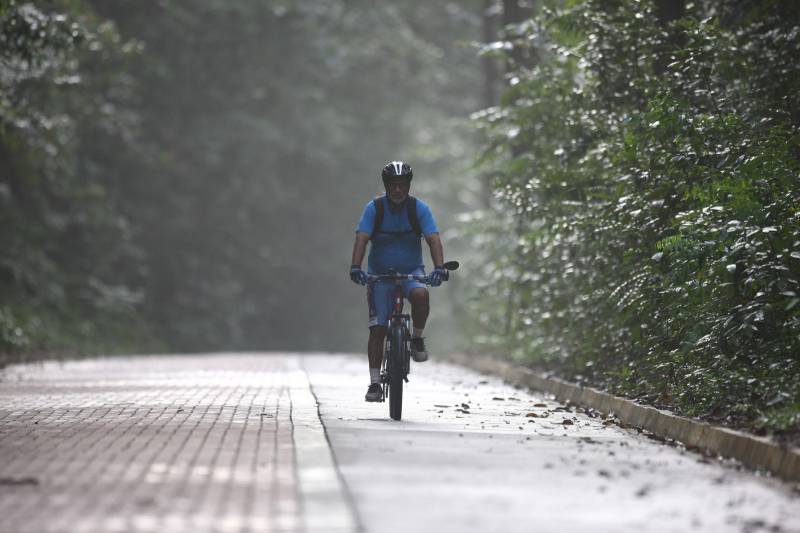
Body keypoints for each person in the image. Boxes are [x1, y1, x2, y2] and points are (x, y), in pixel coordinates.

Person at [349, 161, 447, 402]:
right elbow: (362, 239)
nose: (398, 190)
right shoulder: (375, 209)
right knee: (378, 328)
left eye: (402, 185)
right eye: (393, 185)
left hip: (412, 272)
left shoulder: (419, 209)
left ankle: (416, 338)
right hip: (380, 275)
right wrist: (355, 266)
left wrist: (439, 268)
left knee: (422, 296)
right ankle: (374, 384)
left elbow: (433, 239)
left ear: (408, 186)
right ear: (386, 186)